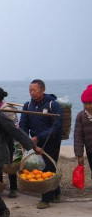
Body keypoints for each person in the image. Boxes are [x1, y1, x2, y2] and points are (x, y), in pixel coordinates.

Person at [19, 79, 63, 209]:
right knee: (36, 167)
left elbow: (56, 126)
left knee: (48, 167)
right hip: (33, 142)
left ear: (43, 90)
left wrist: (39, 137)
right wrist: (25, 139)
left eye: (35, 90)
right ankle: (56, 191)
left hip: (51, 142)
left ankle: (45, 199)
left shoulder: (53, 105)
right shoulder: (27, 105)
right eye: (30, 90)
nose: (32, 92)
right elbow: (23, 125)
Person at [0, 85, 19, 198]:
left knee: (9, 164)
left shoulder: (7, 109)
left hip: (8, 140)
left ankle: (13, 189)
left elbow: (14, 126)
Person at [74, 85, 92, 174]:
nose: (88, 106)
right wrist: (79, 155)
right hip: (90, 150)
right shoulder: (81, 116)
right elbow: (78, 137)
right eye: (85, 103)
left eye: (90, 103)